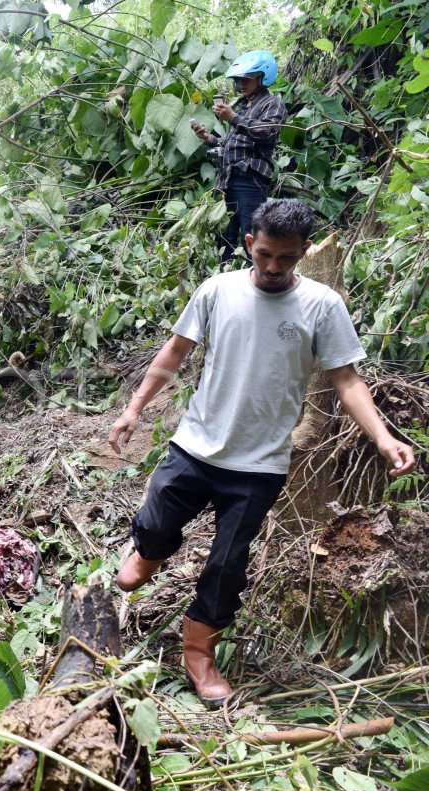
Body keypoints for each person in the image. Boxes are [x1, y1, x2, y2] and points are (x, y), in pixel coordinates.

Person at [107, 199, 416, 708]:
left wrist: (383, 438)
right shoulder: (218, 290)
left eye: (287, 259)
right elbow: (176, 352)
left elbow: (345, 378)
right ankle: (150, 551)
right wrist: (134, 408)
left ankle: (199, 649)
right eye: (266, 255)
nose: (273, 268)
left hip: (258, 464)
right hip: (196, 444)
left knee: (228, 562)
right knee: (158, 515)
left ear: (301, 254)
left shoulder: (322, 305)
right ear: (250, 244)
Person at [190, 51, 286, 262]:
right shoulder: (243, 106)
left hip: (250, 181)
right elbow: (232, 146)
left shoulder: (272, 104)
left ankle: (255, 283)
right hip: (227, 180)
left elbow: (266, 132)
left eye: (246, 79)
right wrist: (208, 138)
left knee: (250, 238)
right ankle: (226, 280)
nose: (241, 84)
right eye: (238, 80)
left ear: (262, 78)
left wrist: (233, 118)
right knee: (225, 237)